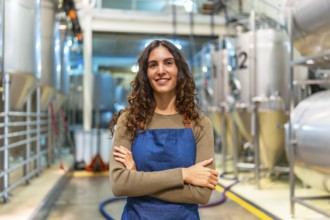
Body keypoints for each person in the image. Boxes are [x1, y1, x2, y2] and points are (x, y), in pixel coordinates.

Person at [108, 39, 218, 220]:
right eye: (153, 65)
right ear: (146, 73)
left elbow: (202, 194)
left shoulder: (200, 124)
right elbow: (119, 185)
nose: (161, 71)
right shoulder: (129, 121)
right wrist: (183, 175)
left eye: (168, 63)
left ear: (179, 70)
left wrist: (137, 180)